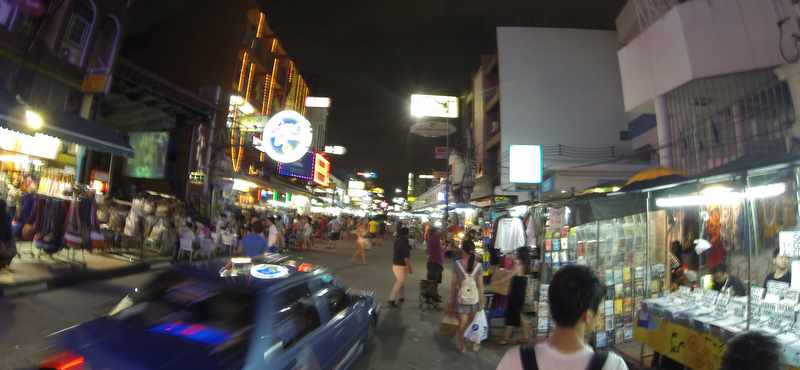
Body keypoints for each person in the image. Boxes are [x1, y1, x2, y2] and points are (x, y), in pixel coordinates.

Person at [497, 265, 628, 370]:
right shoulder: (612, 365)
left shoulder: (514, 360)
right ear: (587, 316)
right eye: (599, 310)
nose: (600, 316)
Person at [449, 234, 485, 353]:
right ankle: (472, 343)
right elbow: (480, 286)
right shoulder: (479, 266)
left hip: (462, 299)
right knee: (472, 323)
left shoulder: (457, 264)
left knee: (462, 324)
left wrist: (451, 301)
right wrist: (482, 301)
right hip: (474, 300)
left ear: (462, 251)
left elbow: (454, 285)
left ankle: (462, 345)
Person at [500, 248, 531, 345]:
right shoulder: (525, 264)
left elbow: (510, 276)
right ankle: (524, 336)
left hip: (516, 292)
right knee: (517, 313)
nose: (515, 254)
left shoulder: (518, 263)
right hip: (520, 291)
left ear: (520, 254)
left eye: (517, 252)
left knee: (513, 314)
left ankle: (506, 338)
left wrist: (497, 281)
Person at [389, 227, 412, 308]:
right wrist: (410, 268)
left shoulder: (397, 240)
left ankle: (401, 297)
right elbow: (406, 257)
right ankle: (391, 299)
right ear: (407, 234)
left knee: (401, 281)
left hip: (395, 264)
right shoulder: (404, 242)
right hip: (400, 265)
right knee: (400, 281)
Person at [0, 200, 16, 270]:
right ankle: (3, 263)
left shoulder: (7, 216)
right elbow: (9, 233)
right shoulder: (7, 216)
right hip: (6, 246)